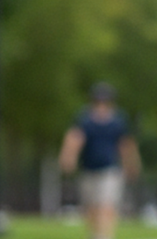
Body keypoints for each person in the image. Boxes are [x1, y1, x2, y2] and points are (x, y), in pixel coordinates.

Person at [59, 82, 141, 239]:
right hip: (88, 169)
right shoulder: (84, 119)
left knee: (107, 205)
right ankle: (95, 234)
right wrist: (68, 158)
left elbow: (126, 145)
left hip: (110, 170)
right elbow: (74, 139)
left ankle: (105, 236)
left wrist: (132, 164)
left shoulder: (118, 121)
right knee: (91, 208)